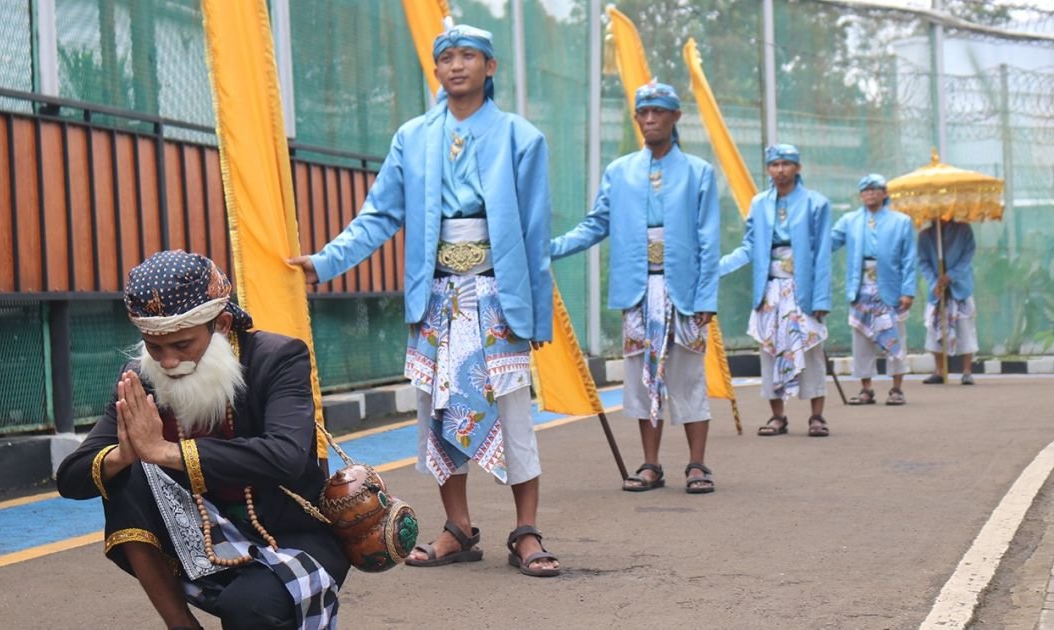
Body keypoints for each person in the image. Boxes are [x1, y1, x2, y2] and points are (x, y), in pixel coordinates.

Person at [287, 19, 558, 578]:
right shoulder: (412, 138)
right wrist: (325, 261)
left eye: (468, 55)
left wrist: (533, 311)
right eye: (447, 57)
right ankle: (457, 528)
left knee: (512, 412)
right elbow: (379, 215)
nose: (456, 65)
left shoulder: (522, 138)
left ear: (490, 67)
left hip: (498, 297)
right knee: (437, 413)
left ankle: (526, 531)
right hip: (436, 299)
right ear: (436, 69)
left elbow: (535, 232)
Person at [57, 250, 347, 630]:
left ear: (222, 324)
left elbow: (286, 456)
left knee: (247, 608)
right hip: (201, 537)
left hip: (290, 533)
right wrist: (122, 455)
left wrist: (165, 452)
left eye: (182, 345)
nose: (169, 362)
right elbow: (70, 478)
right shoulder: (140, 377)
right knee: (124, 476)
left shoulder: (277, 357)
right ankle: (180, 624)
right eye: (155, 347)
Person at [551, 81, 719, 494]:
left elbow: (710, 240)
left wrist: (706, 298)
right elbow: (596, 224)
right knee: (643, 379)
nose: (649, 120)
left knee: (688, 377)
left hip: (685, 294)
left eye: (657, 112)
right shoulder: (620, 171)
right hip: (637, 294)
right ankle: (650, 464)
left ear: (675, 116)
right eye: (642, 113)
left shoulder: (699, 172)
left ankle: (697, 465)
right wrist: (550, 249)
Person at [720, 144, 832, 437]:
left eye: (786, 164)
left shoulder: (816, 203)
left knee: (811, 350)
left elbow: (822, 253)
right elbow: (750, 245)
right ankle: (777, 416)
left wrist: (821, 297)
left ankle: (817, 416)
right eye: (774, 164)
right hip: (770, 289)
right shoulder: (759, 204)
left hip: (803, 289)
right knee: (769, 348)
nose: (780, 170)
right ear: (768, 169)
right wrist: (717, 267)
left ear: (798, 168)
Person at [832, 174, 917, 405]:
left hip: (890, 287)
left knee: (895, 336)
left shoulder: (901, 221)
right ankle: (866, 388)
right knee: (861, 340)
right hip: (860, 287)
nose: (870, 193)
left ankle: (897, 388)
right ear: (860, 195)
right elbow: (830, 242)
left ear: (884, 193)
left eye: (875, 189)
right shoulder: (849, 220)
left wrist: (908, 291)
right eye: (865, 190)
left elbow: (909, 258)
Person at [918, 219, 978, 384]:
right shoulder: (925, 235)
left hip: (961, 287)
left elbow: (967, 257)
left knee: (965, 328)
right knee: (934, 327)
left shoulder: (964, 229)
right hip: (937, 290)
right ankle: (940, 371)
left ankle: (967, 371)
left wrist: (950, 276)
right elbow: (923, 262)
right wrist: (935, 282)